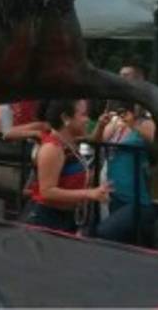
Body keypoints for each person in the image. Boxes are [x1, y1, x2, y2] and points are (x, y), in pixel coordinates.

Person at [24, 99, 110, 234]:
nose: (87, 119)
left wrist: (101, 125)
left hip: (64, 219)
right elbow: (47, 191)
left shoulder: (69, 142)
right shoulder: (52, 148)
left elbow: (94, 140)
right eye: (83, 114)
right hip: (47, 221)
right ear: (65, 118)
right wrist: (89, 194)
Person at [93, 102, 158, 245]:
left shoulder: (146, 123)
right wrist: (101, 125)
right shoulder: (115, 124)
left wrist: (133, 124)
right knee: (123, 243)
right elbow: (97, 143)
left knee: (105, 232)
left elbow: (152, 139)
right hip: (115, 194)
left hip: (136, 198)